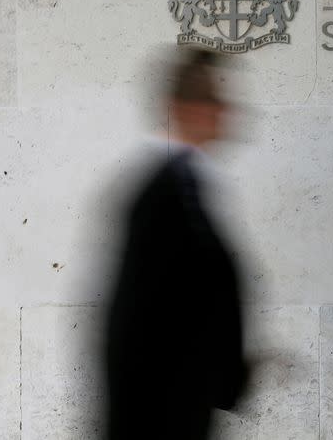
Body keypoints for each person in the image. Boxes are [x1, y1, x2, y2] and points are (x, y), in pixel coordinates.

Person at [103, 48, 248, 440]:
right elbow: (132, 324)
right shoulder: (162, 195)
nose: (225, 111)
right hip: (160, 417)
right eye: (213, 100)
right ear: (182, 108)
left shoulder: (186, 188)